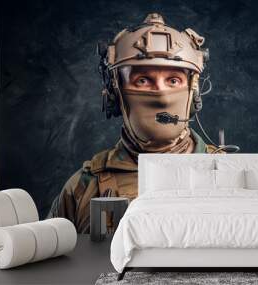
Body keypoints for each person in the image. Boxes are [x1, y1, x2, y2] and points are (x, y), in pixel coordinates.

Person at [47, 13, 223, 233]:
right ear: (115, 93)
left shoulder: (225, 173)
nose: (162, 95)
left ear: (193, 92)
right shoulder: (84, 187)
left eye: (173, 80)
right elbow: (52, 255)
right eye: (143, 80)